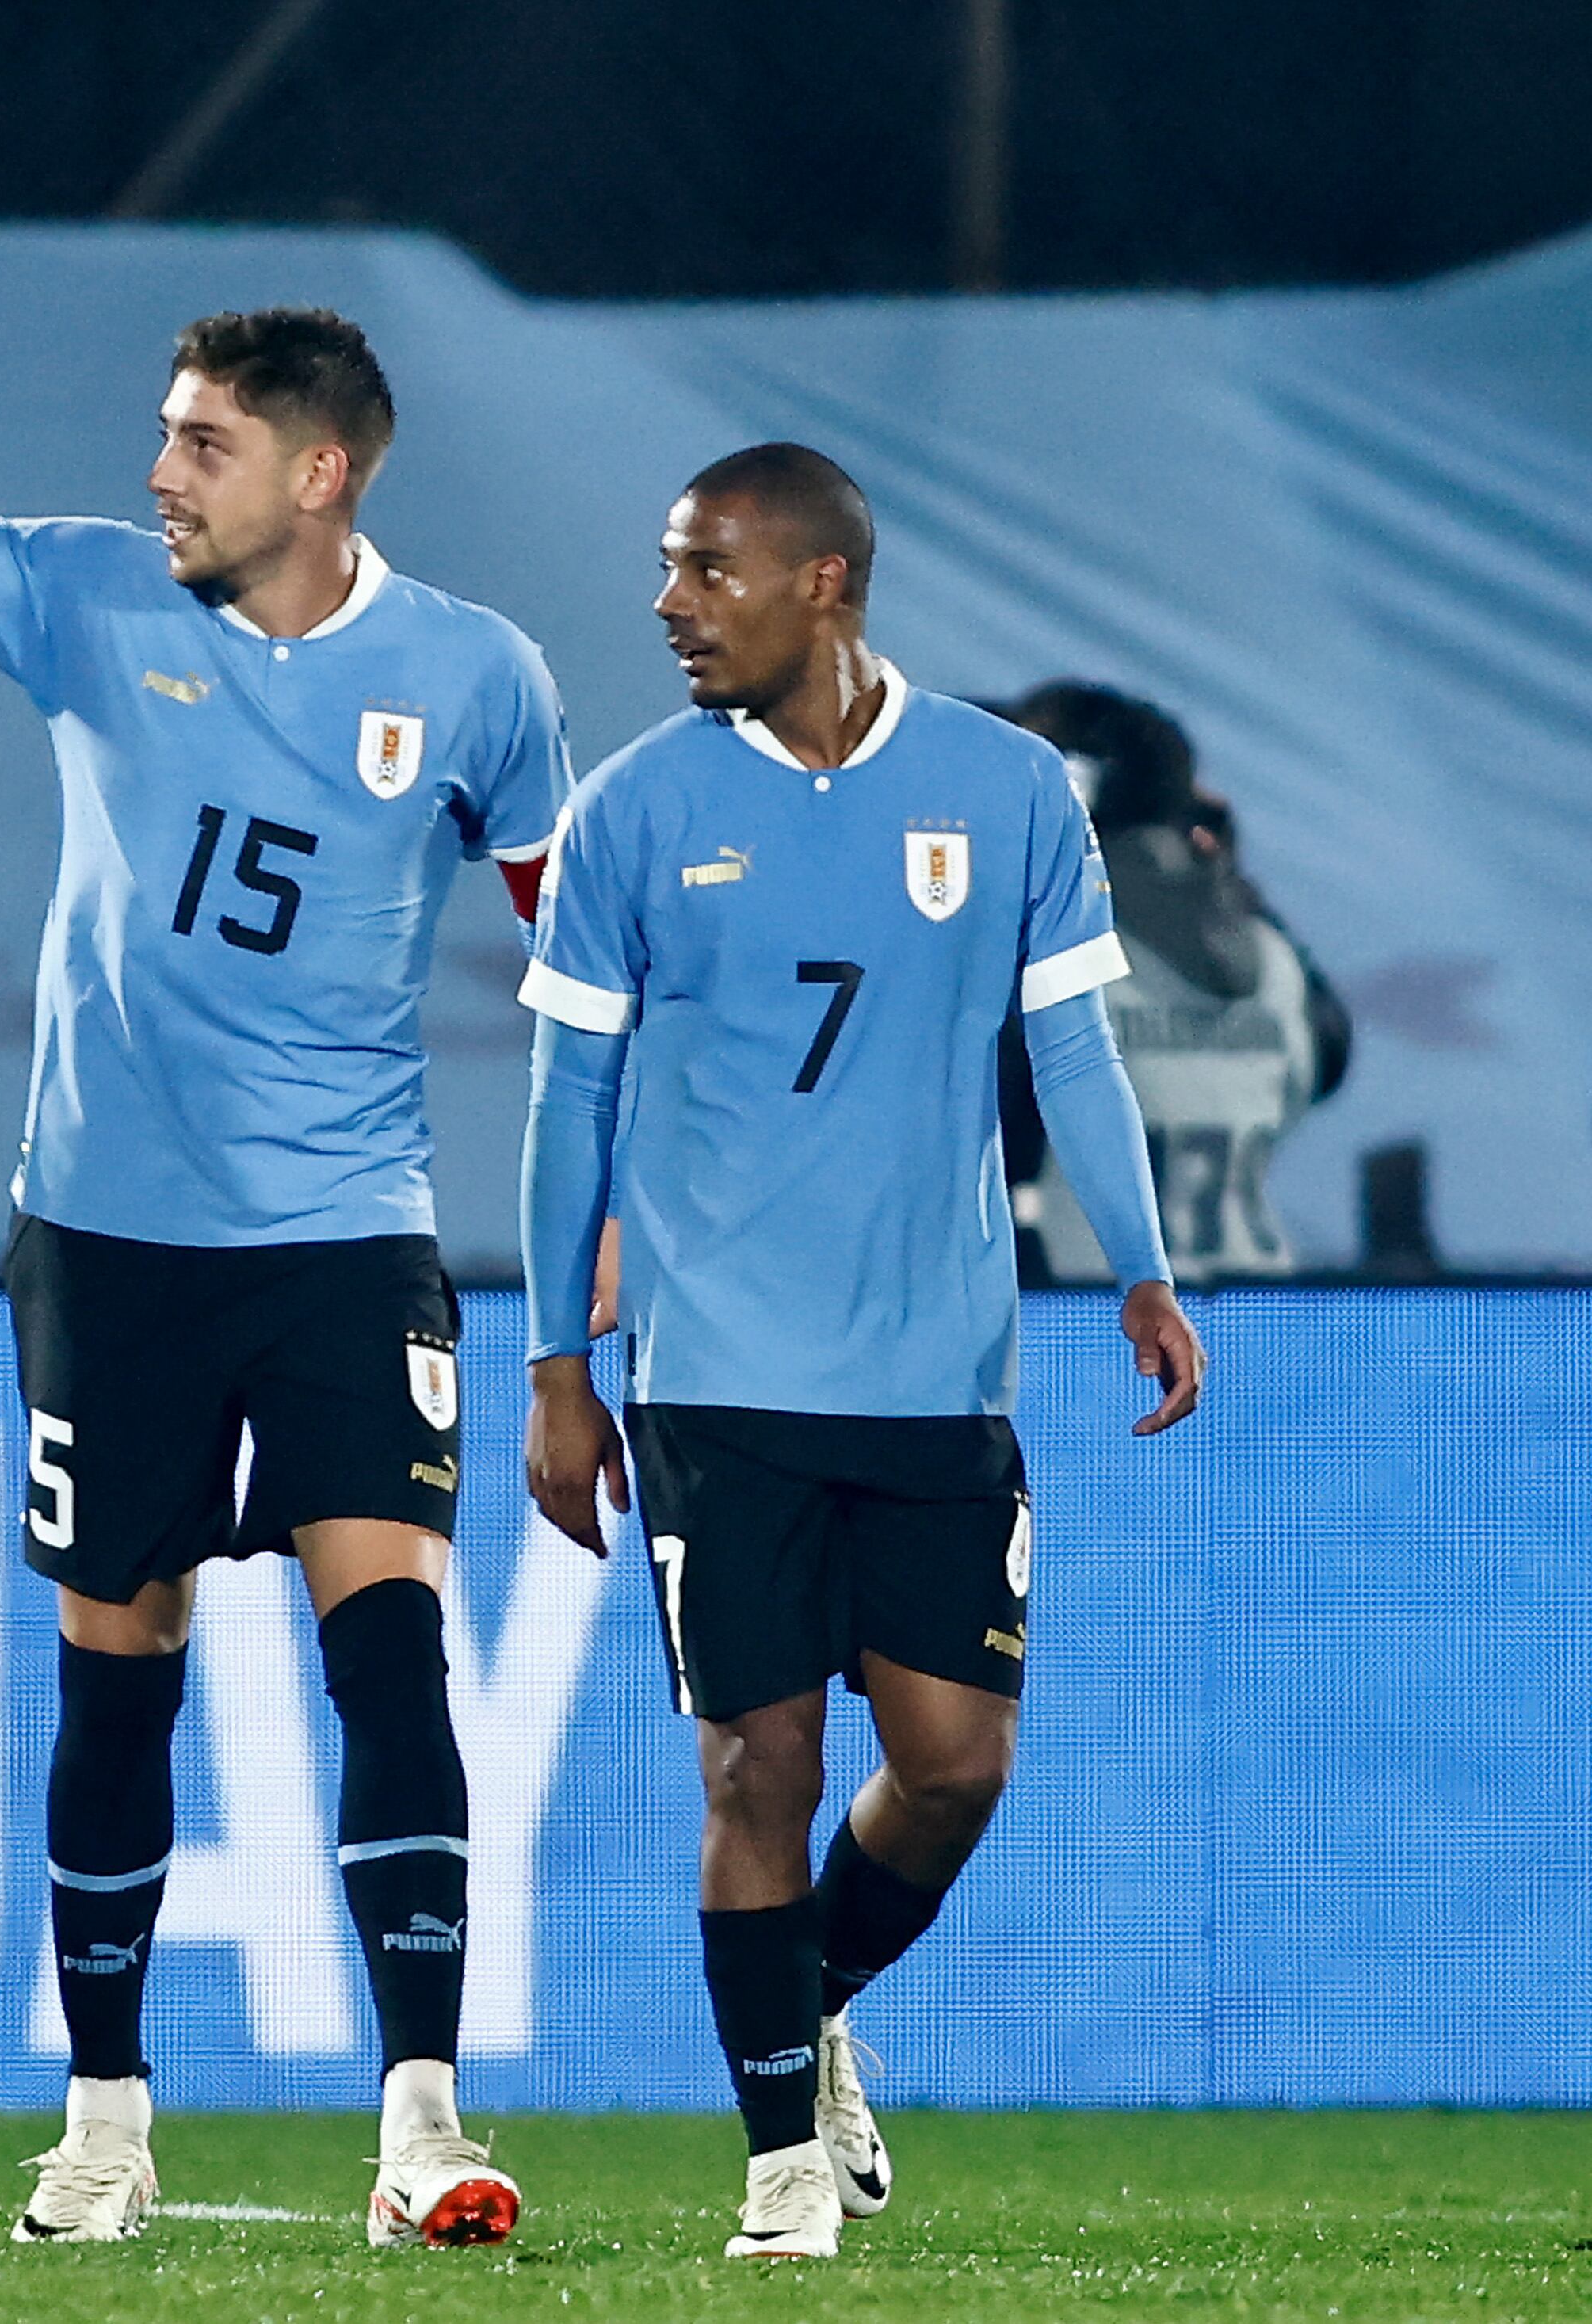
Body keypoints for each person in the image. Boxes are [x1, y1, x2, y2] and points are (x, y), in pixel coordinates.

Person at [0, 142, 571, 2249]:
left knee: (392, 1653)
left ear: (325, 476)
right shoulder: (84, 591)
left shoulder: (476, 676)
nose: (163, 475)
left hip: (345, 1238)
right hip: (109, 1240)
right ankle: (107, 2121)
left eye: (204, 446)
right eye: (160, 436)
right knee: (123, 1665)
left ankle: (420, 2124)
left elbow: (576, 949)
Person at [517, 445, 1202, 2260]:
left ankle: (809, 1999)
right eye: (667, 570)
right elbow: (565, 1094)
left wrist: (1136, 1267)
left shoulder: (1001, 792)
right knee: (759, 1770)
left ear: (823, 584)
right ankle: (777, 2174)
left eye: (706, 572)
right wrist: (550, 1363)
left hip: (932, 1377)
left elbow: (1071, 1053)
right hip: (711, 1376)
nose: (669, 603)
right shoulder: (631, 810)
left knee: (957, 1764)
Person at [986, 684, 1350, 1283]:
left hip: (1089, 1330)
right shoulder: (1275, 956)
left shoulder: (1046, 956)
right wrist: (1224, 877)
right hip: (1262, 1322)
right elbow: (1331, 1056)